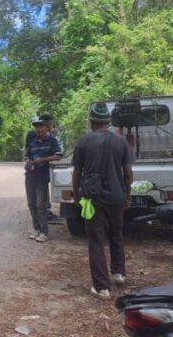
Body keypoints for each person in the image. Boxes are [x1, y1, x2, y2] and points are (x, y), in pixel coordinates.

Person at [72, 102, 134, 300]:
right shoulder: (121, 142)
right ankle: (119, 273)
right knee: (116, 234)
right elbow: (128, 173)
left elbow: (77, 172)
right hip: (117, 197)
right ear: (108, 122)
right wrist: (127, 195)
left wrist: (76, 196)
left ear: (91, 122)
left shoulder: (83, 142)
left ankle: (102, 288)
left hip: (93, 198)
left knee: (96, 241)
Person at [25, 118, 62, 243]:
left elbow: (58, 156)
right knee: (31, 204)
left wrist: (42, 160)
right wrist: (28, 162)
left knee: (40, 205)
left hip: (42, 178)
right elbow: (28, 156)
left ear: (47, 128)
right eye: (37, 127)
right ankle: (36, 229)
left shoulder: (52, 141)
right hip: (30, 176)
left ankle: (44, 232)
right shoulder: (33, 142)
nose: (39, 129)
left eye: (41, 126)